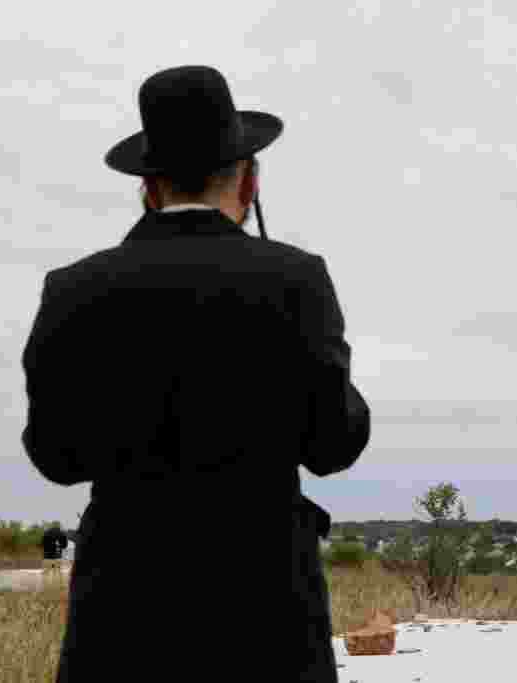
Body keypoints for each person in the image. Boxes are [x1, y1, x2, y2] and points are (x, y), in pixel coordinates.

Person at [21, 65, 370, 682]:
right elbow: (334, 445)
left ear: (148, 189)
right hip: (268, 615)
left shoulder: (73, 290)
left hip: (121, 618)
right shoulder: (297, 280)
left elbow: (56, 456)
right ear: (251, 180)